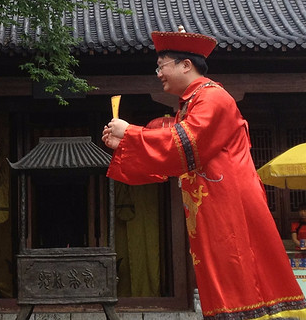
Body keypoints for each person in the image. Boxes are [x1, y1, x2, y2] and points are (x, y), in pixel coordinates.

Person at [102, 27, 306, 319]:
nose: (158, 73)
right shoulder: (193, 104)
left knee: (240, 272)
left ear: (186, 65)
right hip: (213, 206)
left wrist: (131, 134)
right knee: (222, 273)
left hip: (230, 205)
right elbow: (170, 136)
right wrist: (126, 140)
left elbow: (183, 143)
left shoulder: (213, 98)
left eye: (161, 66)